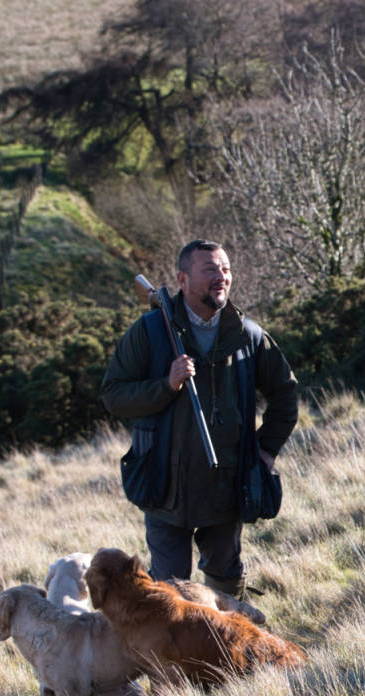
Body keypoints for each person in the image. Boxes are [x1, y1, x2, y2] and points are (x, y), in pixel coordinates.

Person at [101, 240, 299, 598]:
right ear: (182, 278)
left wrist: (265, 451)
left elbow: (285, 394)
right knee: (170, 591)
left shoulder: (248, 336)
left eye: (225, 269)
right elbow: (114, 395)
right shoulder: (148, 332)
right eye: (210, 270)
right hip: (164, 484)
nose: (221, 277)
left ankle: (229, 649)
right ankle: (174, 655)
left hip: (226, 483)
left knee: (226, 577)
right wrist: (166, 384)